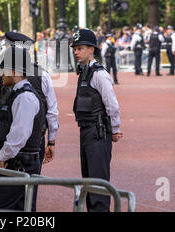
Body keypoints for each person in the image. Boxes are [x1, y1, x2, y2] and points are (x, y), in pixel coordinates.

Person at [0, 31, 59, 211]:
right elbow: (52, 112)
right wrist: (51, 140)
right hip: (31, 145)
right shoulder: (43, 76)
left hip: (13, 153)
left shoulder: (19, 91)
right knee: (27, 201)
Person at [70, 28, 123, 212]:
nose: (76, 52)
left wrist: (114, 130)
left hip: (98, 132)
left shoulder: (99, 74)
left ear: (92, 49)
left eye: (80, 48)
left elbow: (112, 105)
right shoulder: (84, 72)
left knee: (98, 186)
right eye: (75, 48)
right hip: (86, 131)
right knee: (89, 182)